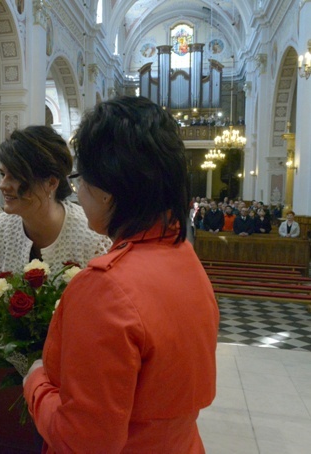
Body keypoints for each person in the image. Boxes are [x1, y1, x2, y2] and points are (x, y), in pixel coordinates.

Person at [23, 96, 219, 452]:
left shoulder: (106, 286)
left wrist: (35, 381)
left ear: (108, 191)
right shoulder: (184, 257)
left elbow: (82, 440)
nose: (78, 193)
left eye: (81, 179)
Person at [0, 125, 111, 278]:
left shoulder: (92, 238)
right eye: (2, 174)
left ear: (51, 183)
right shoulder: (2, 227)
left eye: (15, 176)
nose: (2, 185)